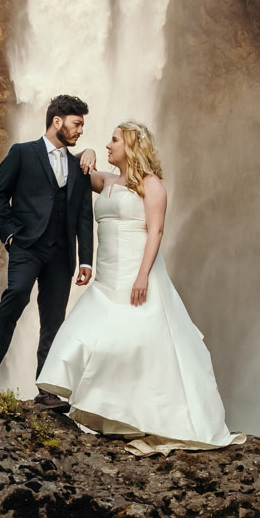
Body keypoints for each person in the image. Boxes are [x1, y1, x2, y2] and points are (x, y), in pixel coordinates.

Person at [35, 120, 232, 448]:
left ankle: (138, 417)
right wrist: (88, 151)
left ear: (131, 146)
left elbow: (155, 231)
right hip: (106, 279)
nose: (108, 145)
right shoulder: (107, 180)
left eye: (113, 140)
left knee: (135, 346)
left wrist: (143, 275)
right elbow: (75, 170)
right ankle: (67, 397)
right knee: (80, 332)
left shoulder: (152, 186)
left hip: (134, 275)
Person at [0, 94, 97, 389]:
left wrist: (85, 259)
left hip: (62, 253)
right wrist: (9, 236)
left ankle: (46, 387)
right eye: (77, 124)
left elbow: (84, 215)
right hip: (26, 246)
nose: (81, 130)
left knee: (54, 318)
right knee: (16, 295)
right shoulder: (22, 153)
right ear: (57, 121)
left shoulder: (79, 165)